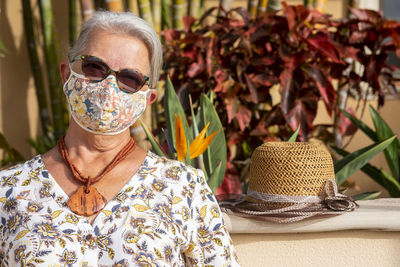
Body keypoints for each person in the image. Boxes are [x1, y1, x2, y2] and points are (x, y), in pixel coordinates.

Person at [0, 11, 239, 266]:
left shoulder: (184, 188)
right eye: (94, 67)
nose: (108, 85)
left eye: (129, 79)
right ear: (66, 74)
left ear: (147, 99)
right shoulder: (10, 190)